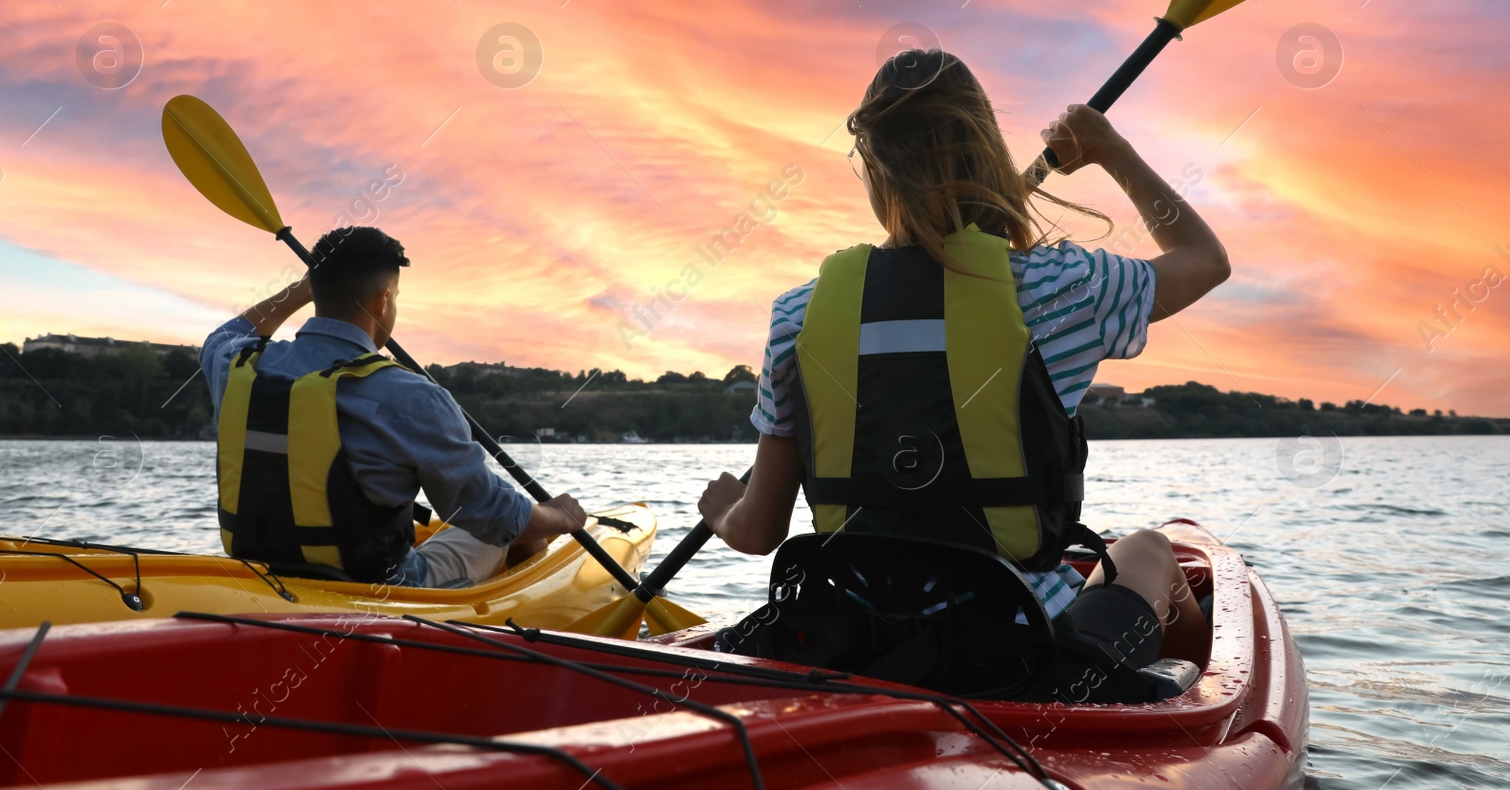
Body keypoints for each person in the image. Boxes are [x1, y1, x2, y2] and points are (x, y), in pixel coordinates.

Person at [698, 49, 1223, 671]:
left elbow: (758, 533)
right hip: (1023, 653)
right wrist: (1110, 149)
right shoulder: (1062, 286)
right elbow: (1203, 258)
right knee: (1149, 550)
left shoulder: (798, 314)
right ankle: (1184, 716)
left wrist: (722, 510)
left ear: (873, 166)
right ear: (988, 155)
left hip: (858, 641)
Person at [199, 226, 586, 589]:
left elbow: (226, 334)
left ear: (316, 292)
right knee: (511, 531)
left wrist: (302, 290)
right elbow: (493, 516)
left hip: (263, 580)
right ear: (384, 300)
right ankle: (525, 613)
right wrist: (560, 517)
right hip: (385, 591)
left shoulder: (238, 368)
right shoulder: (411, 396)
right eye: (395, 298)